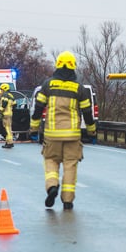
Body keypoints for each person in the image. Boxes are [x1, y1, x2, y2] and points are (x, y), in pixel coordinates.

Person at [30, 51, 96, 210]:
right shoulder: (80, 88)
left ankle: (52, 186)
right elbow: (88, 113)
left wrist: (33, 128)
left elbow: (38, 108)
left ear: (57, 65)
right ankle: (67, 200)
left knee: (51, 161)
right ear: (74, 66)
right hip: (72, 135)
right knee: (70, 166)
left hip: (52, 134)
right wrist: (92, 131)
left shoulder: (47, 85)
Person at [0, 83, 16, 149]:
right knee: (9, 128)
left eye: (1, 89)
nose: (0, 91)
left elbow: (4, 103)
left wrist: (0, 110)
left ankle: (9, 143)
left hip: (5, 113)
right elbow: (15, 104)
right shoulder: (11, 95)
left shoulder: (5, 95)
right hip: (9, 113)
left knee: (7, 129)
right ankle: (8, 141)